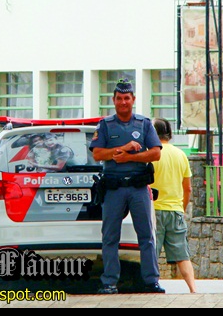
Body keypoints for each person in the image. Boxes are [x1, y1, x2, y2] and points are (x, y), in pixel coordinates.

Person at [89, 78, 165, 294]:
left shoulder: (144, 124)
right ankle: (110, 282)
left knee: (146, 236)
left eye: (127, 98)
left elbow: (156, 153)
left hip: (138, 188)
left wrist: (130, 157)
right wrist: (122, 148)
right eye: (119, 98)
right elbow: (97, 154)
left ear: (133, 100)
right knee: (110, 236)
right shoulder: (105, 125)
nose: (123, 102)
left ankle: (151, 281)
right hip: (113, 189)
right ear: (113, 100)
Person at [150, 117, 197, 293]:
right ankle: (193, 289)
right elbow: (188, 188)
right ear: (169, 133)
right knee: (182, 255)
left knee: (151, 254)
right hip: (175, 211)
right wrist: (182, 209)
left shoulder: (152, 155)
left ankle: (150, 285)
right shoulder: (180, 155)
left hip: (154, 211)